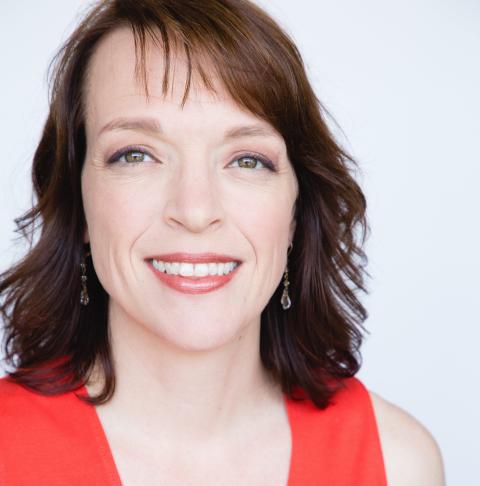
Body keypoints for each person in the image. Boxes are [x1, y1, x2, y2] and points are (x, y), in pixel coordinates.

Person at [0, 0, 446, 484]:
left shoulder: (401, 463)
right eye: (137, 155)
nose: (195, 210)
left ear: (296, 211)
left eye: (247, 160)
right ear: (78, 201)